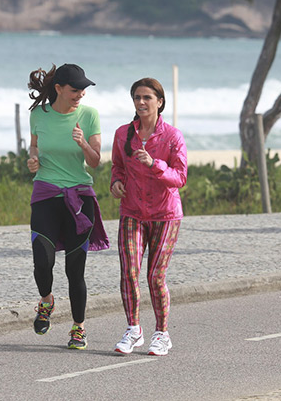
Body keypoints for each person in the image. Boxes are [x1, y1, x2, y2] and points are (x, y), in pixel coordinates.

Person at [26, 63, 109, 350]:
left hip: (79, 197)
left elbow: (96, 160)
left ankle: (79, 328)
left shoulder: (89, 115)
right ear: (59, 88)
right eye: (75, 90)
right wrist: (33, 159)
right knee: (42, 259)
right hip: (46, 193)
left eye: (83, 90)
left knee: (75, 269)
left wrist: (84, 143)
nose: (81, 95)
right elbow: (35, 147)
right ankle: (47, 300)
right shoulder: (39, 115)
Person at [110, 77, 187, 356]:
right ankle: (133, 329)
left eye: (147, 98)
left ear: (160, 102)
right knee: (129, 272)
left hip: (165, 215)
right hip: (132, 211)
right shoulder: (122, 134)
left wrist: (155, 164)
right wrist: (116, 183)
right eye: (137, 98)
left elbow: (180, 177)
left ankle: (161, 333)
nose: (141, 102)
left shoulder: (172, 137)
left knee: (155, 276)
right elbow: (117, 167)